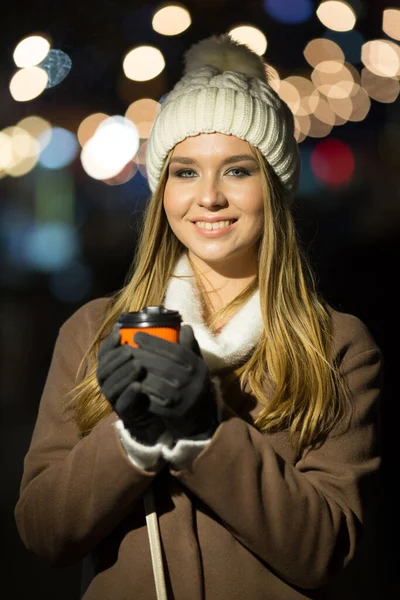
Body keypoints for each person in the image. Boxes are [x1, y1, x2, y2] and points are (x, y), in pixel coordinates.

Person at [15, 35, 383, 599]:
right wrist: (130, 443)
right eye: (185, 172)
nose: (207, 197)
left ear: (276, 188)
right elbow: (44, 534)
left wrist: (203, 431)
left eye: (237, 170)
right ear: (162, 189)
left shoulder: (335, 343)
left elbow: (325, 551)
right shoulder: (94, 329)